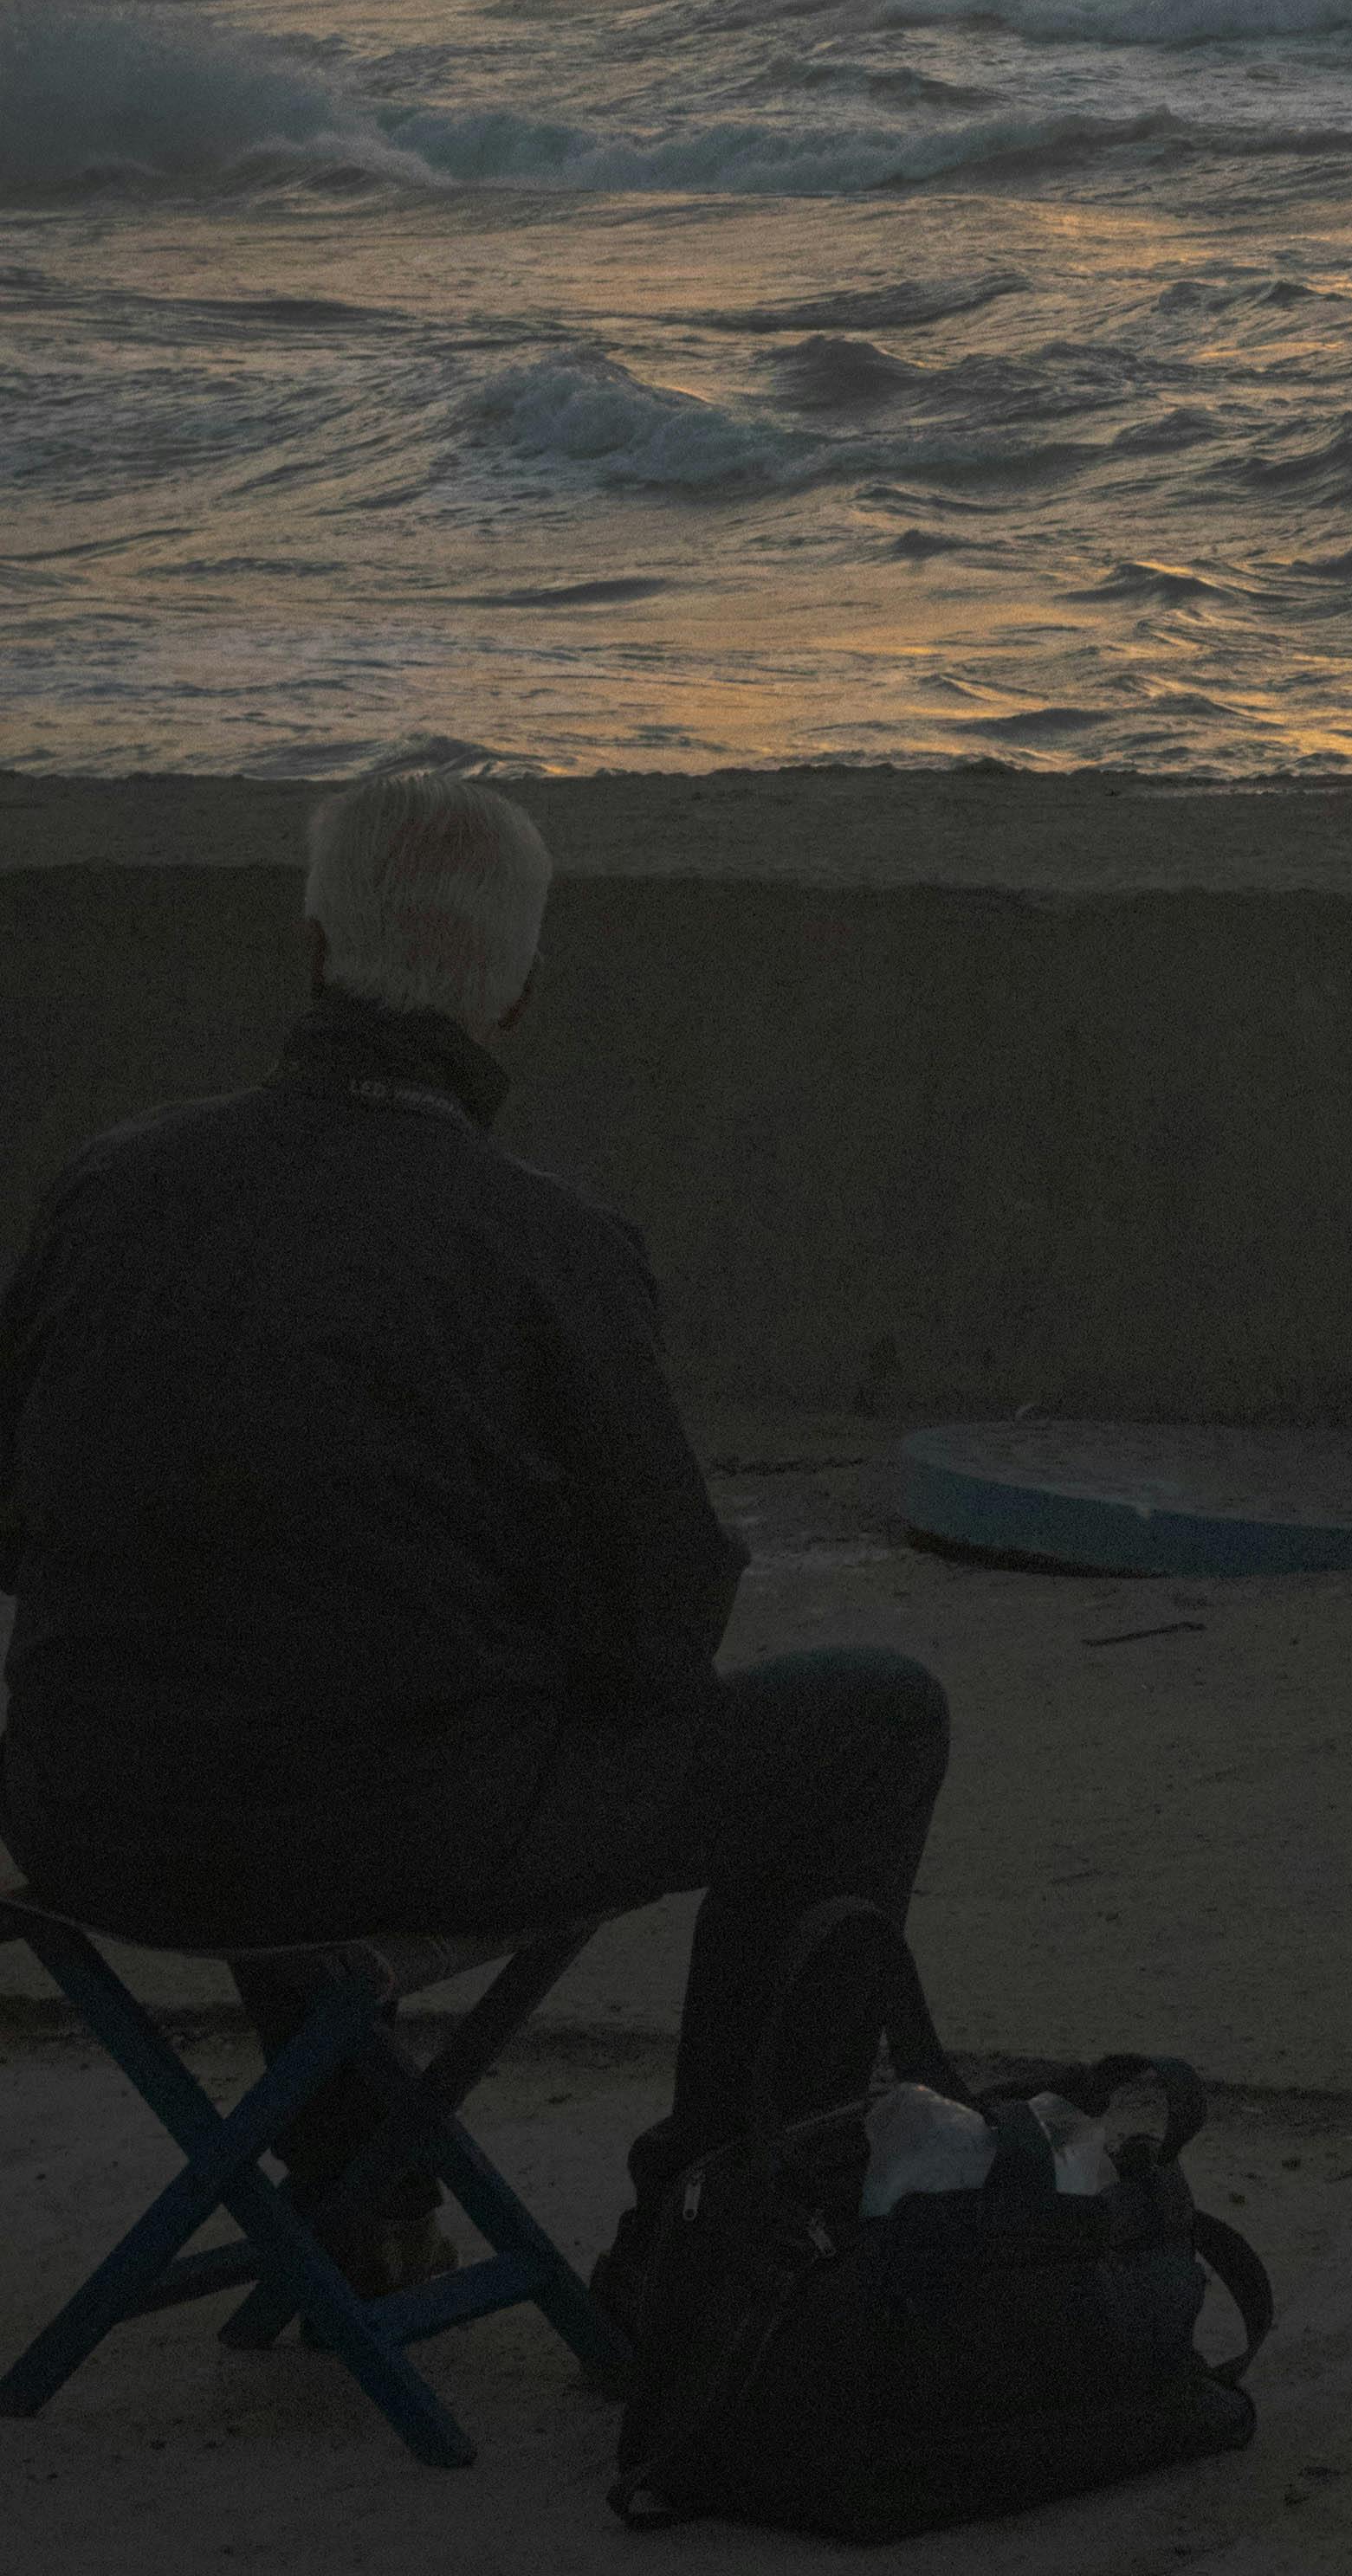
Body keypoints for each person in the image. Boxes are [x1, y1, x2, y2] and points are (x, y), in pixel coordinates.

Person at [0, 766, 947, 2317]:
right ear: (512, 1000)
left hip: (93, 1817)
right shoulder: (546, 1246)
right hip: (393, 1831)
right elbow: (660, 1630)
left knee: (273, 1660)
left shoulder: (107, 1188)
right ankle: (715, 2231)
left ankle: (358, 2199)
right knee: (872, 1722)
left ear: (314, 953)